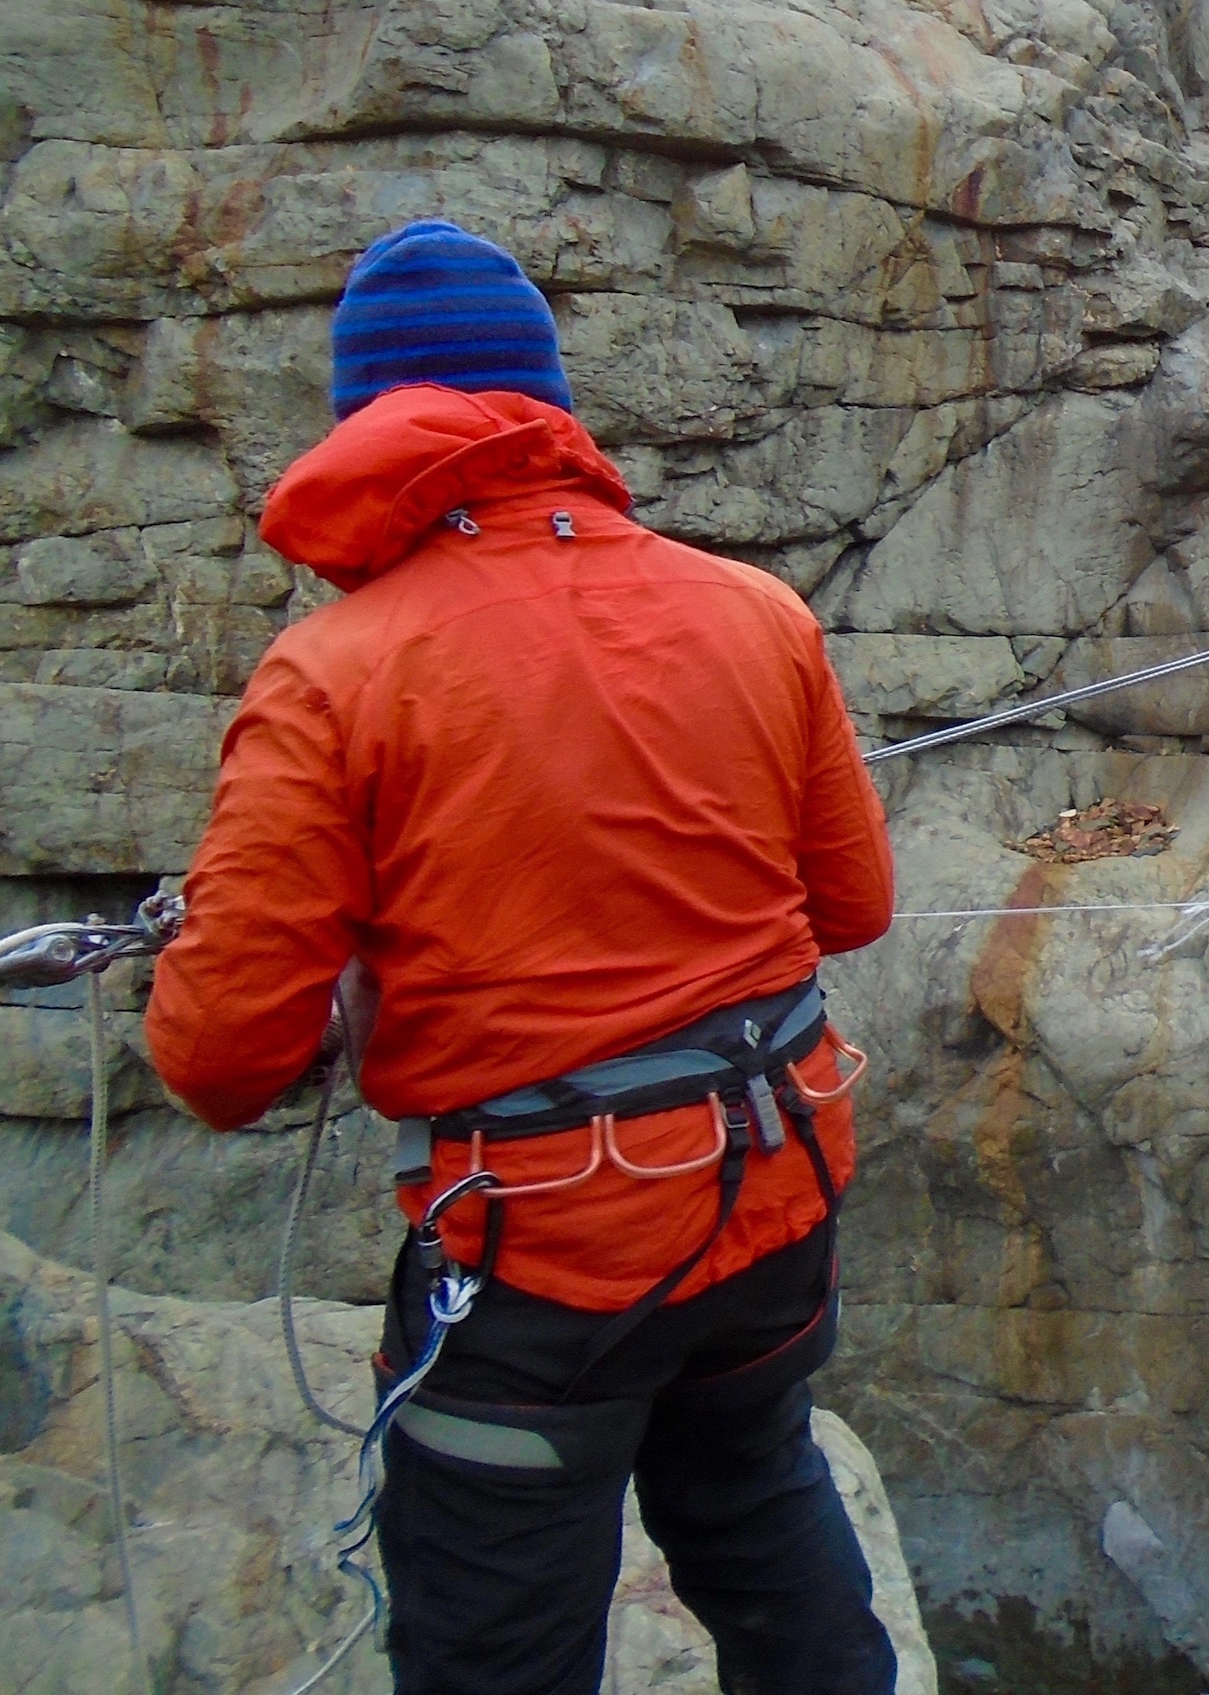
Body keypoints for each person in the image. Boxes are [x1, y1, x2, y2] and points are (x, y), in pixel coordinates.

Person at [147, 219, 900, 1695]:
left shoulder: (336, 672)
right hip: (776, 1191)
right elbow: (854, 904)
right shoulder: (754, 610)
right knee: (756, 1499)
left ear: (363, 421)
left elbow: (219, 1058)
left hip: (548, 1258)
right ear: (552, 404)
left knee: (495, 1639)